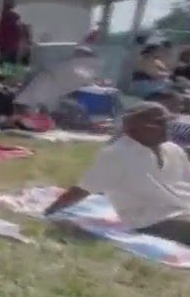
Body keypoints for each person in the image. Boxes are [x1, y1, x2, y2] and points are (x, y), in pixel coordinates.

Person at [45, 102, 190, 244]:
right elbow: (82, 190)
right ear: (134, 129)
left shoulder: (173, 149)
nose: (166, 128)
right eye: (158, 123)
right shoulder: (117, 155)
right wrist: (48, 213)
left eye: (166, 122)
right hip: (153, 220)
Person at [0, 0, 25, 66]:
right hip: (10, 48)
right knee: (9, 70)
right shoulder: (15, 17)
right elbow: (20, 31)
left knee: (1, 68)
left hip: (1, 48)